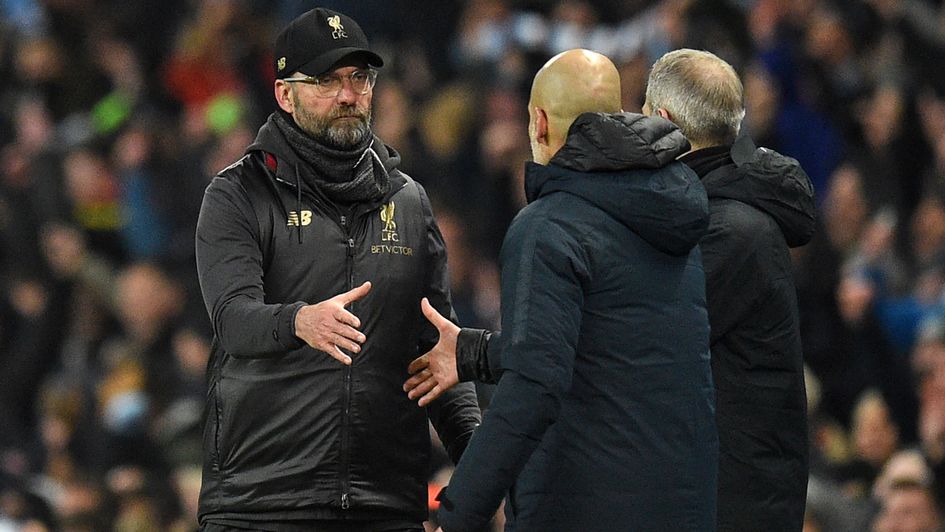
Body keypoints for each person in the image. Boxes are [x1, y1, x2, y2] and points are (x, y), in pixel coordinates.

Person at [194, 7, 481, 531]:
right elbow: (233, 319)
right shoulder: (238, 194)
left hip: (385, 503)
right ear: (285, 95)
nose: (349, 96)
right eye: (327, 80)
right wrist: (300, 322)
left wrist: (484, 473)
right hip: (263, 504)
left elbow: (437, 348)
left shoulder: (410, 203)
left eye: (360, 79)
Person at [412, 48, 719, 531]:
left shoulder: (548, 226)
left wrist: (456, 515)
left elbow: (534, 387)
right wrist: (474, 352)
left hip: (584, 510)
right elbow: (607, 349)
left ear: (538, 122)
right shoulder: (673, 214)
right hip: (685, 507)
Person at [642, 49, 816, 531]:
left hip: (735, 505)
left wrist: (481, 353)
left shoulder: (733, 233)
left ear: (663, 120)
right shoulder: (718, 216)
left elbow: (636, 341)